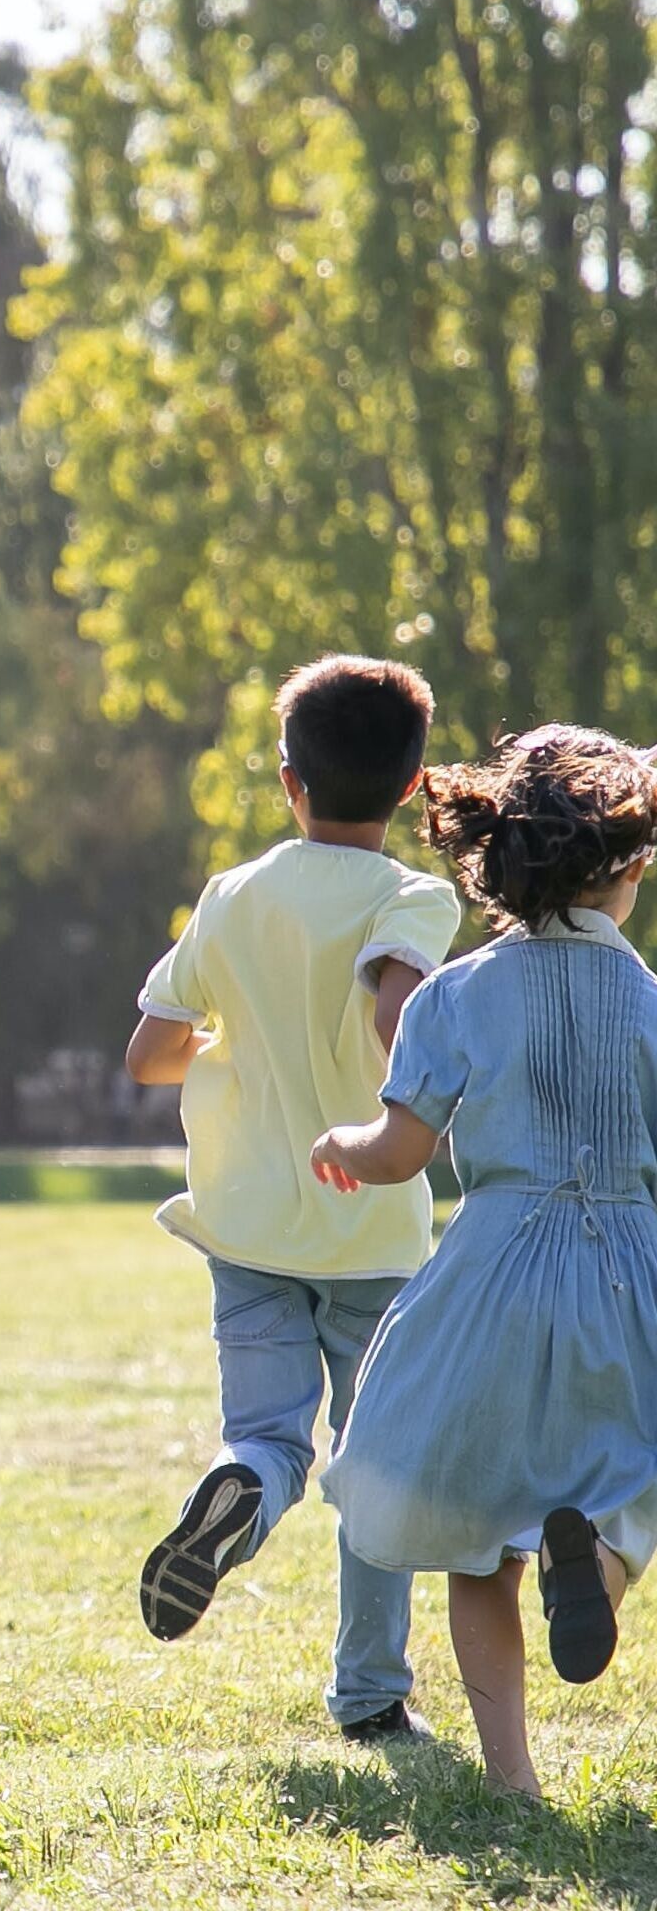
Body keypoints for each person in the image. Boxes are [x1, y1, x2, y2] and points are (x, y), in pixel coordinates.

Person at [314, 725, 657, 1799]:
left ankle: (512, 1779)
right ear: (626, 866)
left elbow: (399, 1151)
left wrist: (341, 1144)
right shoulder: (651, 1003)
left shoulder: (454, 993)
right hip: (628, 1274)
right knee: (633, 1479)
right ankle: (596, 1563)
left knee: (477, 1539)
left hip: (491, 1276)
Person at [123, 655, 460, 1740]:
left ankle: (237, 1487)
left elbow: (149, 1053)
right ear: (411, 786)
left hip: (247, 1224)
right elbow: (395, 1014)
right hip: (369, 1228)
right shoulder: (414, 896)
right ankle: (369, 1693)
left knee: (267, 1435)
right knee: (376, 1461)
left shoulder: (232, 894)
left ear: (288, 782)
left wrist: (237, 1047)